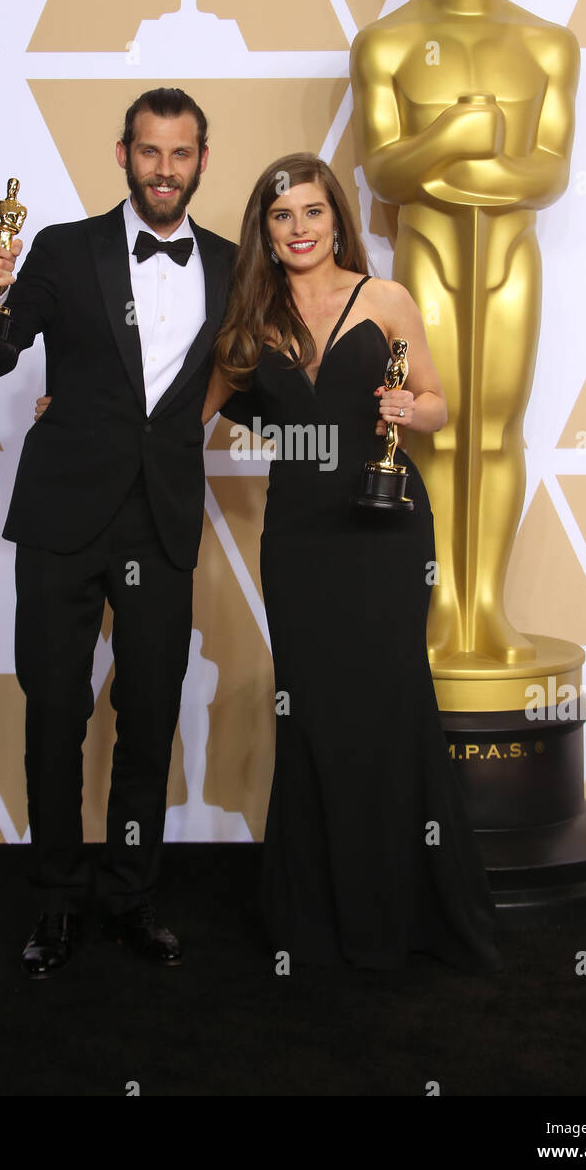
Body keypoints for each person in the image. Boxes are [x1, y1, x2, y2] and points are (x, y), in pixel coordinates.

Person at [202, 152, 502, 971]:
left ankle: (403, 913)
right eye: (280, 216)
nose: (299, 229)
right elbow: (185, 414)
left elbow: (440, 405)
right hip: (299, 538)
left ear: (337, 217)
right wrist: (75, 405)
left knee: (390, 701)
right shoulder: (248, 318)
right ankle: (317, 918)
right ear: (263, 230)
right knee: (313, 713)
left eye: (312, 212)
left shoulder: (386, 299)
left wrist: (413, 407)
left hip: (385, 525)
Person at [0, 87, 235, 977]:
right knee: (55, 713)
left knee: (149, 718)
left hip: (159, 522)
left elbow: (257, 383)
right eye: (149, 152)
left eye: (180, 154)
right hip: (62, 518)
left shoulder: (232, 267)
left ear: (201, 159)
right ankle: (55, 904)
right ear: (123, 154)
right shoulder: (63, 248)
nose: (164, 169)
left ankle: (129, 896)